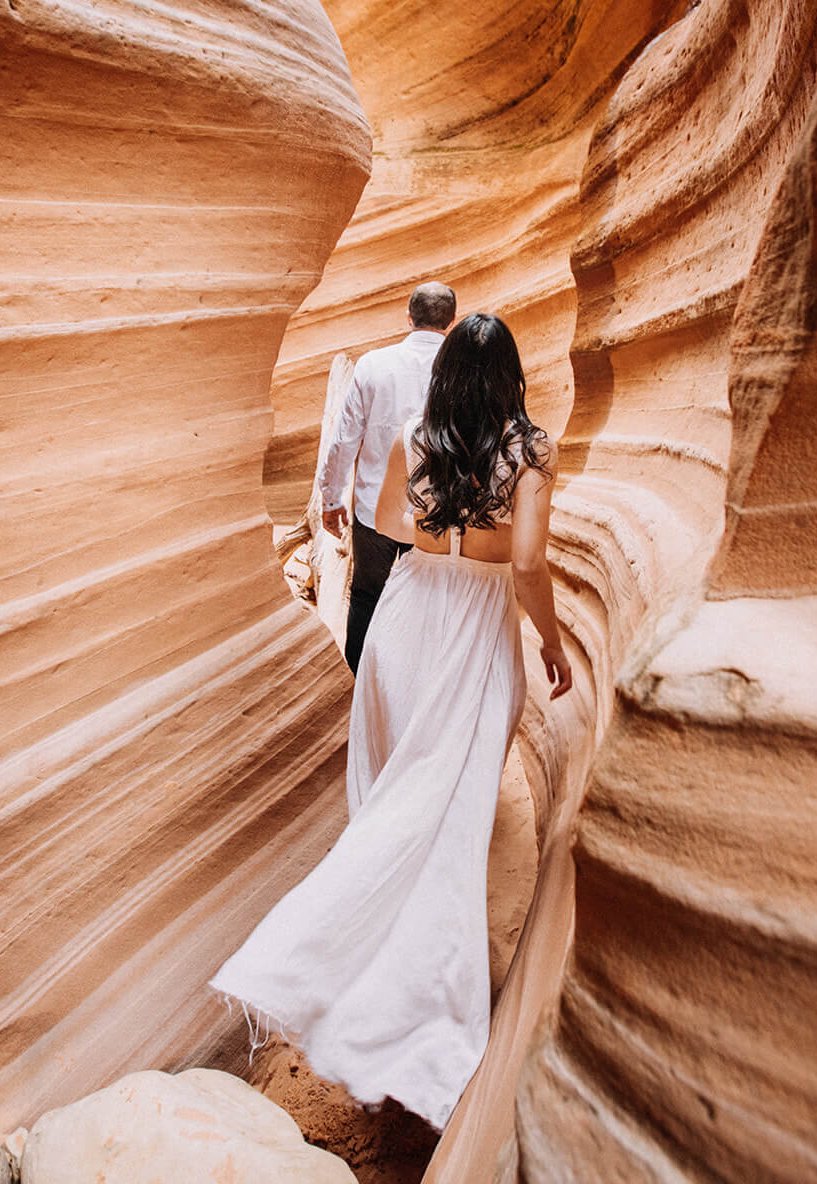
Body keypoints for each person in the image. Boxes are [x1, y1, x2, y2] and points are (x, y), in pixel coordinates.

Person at [209, 313, 572, 1132]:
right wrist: (549, 641)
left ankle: (357, 979)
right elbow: (524, 561)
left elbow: (386, 527)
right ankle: (402, 1010)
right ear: (511, 373)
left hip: (408, 617)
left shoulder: (417, 434)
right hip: (474, 628)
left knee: (394, 799)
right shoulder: (532, 451)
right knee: (449, 809)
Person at [320, 281, 456, 675]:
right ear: (451, 321)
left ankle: (357, 683)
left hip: (373, 508)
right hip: (435, 512)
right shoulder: (459, 372)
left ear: (409, 317)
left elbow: (344, 440)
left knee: (366, 597)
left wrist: (331, 501)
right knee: (425, 602)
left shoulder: (373, 365)